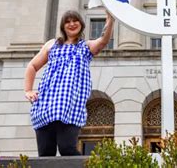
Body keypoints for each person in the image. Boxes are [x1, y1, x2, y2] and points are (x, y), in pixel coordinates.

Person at [24, 10, 114, 156]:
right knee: (45, 154)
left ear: (81, 24)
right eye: (68, 21)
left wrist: (110, 20)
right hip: (45, 106)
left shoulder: (85, 47)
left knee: (67, 149)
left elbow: (103, 40)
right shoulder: (51, 45)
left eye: (75, 20)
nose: (72, 24)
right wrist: (28, 90)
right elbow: (32, 66)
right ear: (63, 26)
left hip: (70, 107)